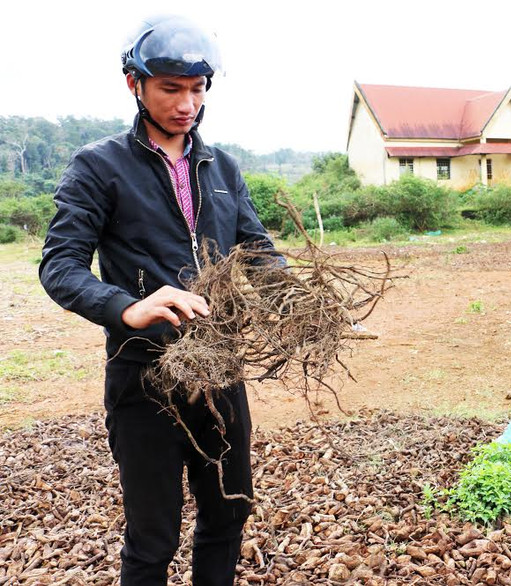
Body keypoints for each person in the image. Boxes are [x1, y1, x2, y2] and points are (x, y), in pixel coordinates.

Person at [39, 15, 277, 586]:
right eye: (171, 88)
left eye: (197, 89)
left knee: (227, 512)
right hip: (142, 375)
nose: (186, 103)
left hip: (219, 369)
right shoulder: (99, 166)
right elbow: (60, 265)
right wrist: (126, 307)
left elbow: (258, 248)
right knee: (153, 535)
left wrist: (292, 294)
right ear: (134, 85)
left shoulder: (220, 166)